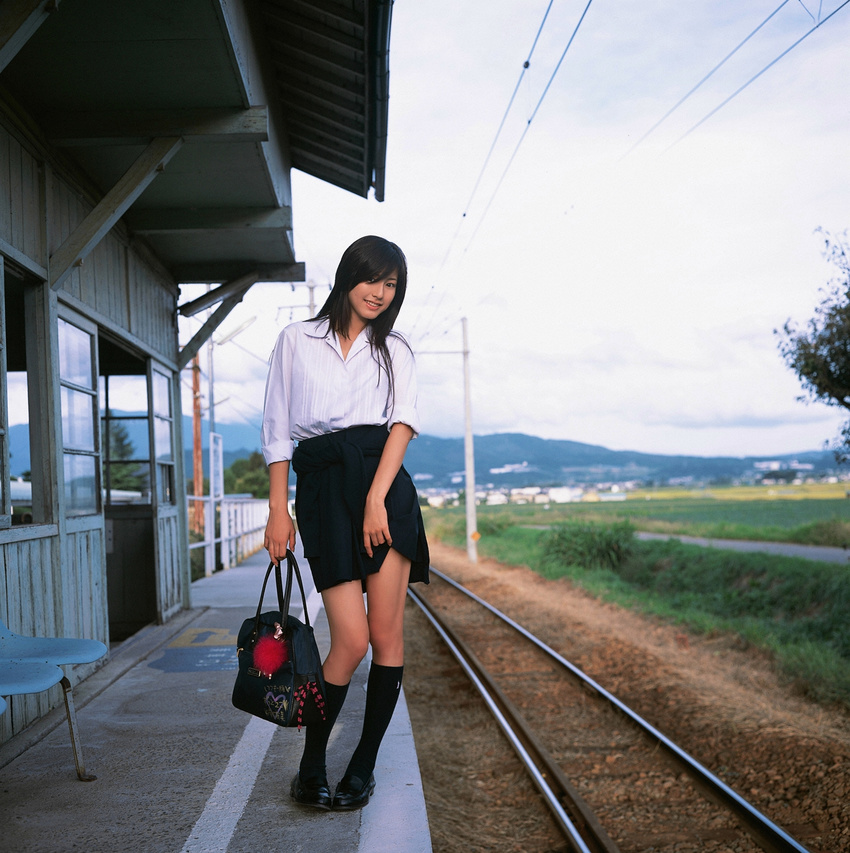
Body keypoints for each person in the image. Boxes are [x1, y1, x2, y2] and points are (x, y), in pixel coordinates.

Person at [261, 235, 430, 812]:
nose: (381, 293)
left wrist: (378, 499)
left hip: (382, 488)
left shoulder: (396, 349)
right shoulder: (295, 340)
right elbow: (279, 430)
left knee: (385, 637)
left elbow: (402, 423)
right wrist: (277, 509)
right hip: (324, 490)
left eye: (392, 285)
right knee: (349, 640)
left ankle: (362, 765)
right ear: (347, 274)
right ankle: (311, 765)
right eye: (373, 279)